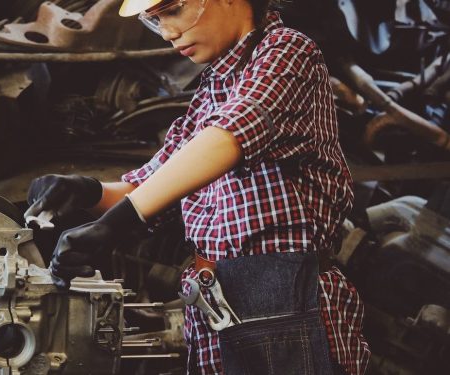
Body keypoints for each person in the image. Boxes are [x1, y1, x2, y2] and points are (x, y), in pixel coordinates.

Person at [25, 0, 370, 373]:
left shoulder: (287, 51)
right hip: (214, 305)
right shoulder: (210, 92)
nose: (169, 33)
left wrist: (115, 224)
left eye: (173, 11)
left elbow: (229, 138)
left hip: (285, 303)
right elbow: (150, 187)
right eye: (155, 21)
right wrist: (85, 191)